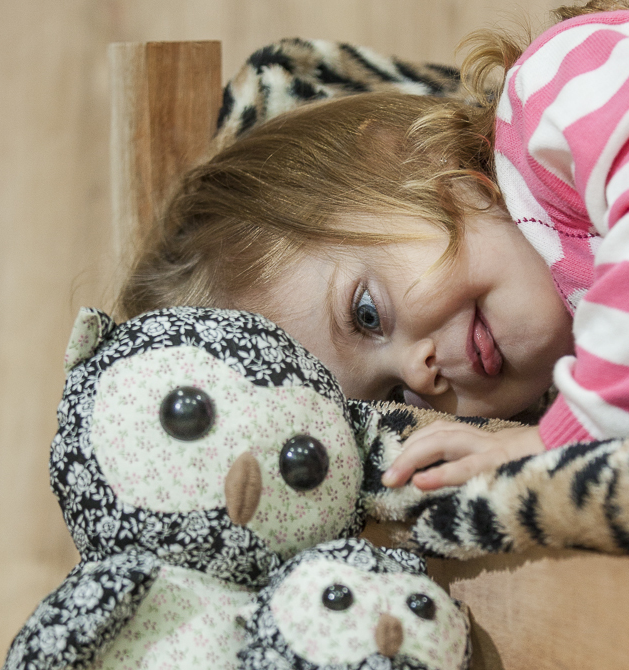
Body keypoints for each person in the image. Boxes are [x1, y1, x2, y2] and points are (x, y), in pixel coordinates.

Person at [119, 0, 629, 491]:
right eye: (396, 397)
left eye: (367, 315)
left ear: (407, 157)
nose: (417, 374)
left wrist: (566, 434)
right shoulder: (582, 332)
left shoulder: (553, 97)